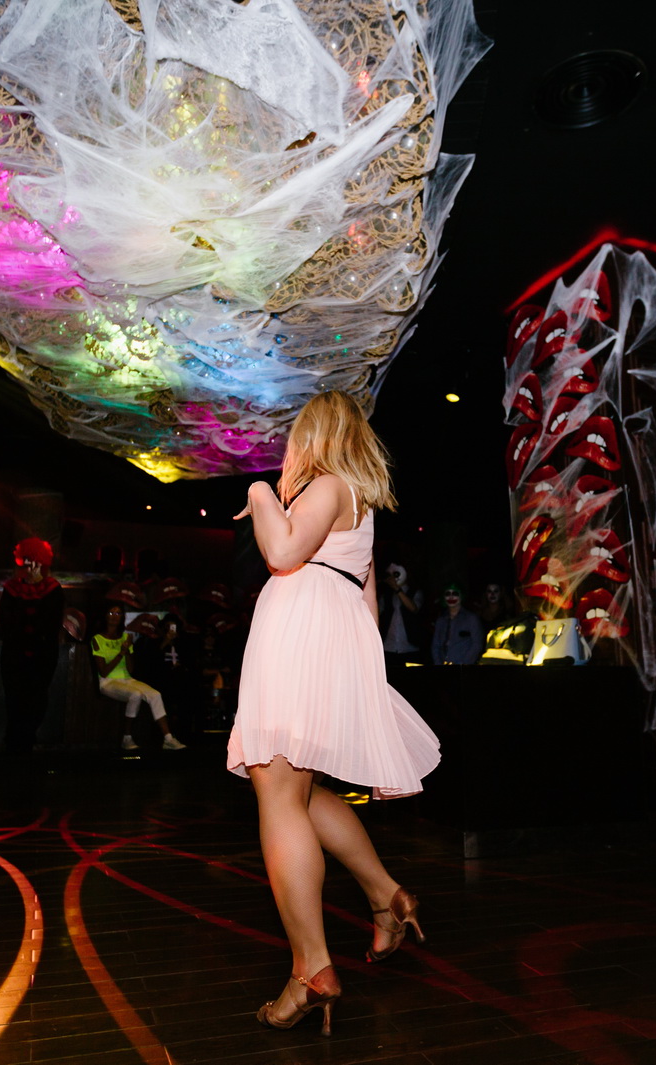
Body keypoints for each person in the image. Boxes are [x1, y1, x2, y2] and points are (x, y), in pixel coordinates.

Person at [228, 390, 440, 1036]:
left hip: (300, 639)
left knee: (277, 795)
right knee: (299, 789)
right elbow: (367, 601)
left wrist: (260, 493)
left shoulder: (325, 486)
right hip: (332, 641)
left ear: (313, 437)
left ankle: (310, 967)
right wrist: (359, 678)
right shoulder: (360, 502)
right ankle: (384, 893)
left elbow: (282, 554)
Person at [0, 537, 65, 754]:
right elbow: (6, 621)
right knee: (14, 696)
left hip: (42, 654)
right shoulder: (11, 589)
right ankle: (14, 740)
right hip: (15, 654)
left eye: (34, 562)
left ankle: (27, 737)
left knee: (36, 696)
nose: (30, 566)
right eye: (26, 561)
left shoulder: (53, 589)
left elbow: (51, 622)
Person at [93, 602, 185, 751]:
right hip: (107, 681)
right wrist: (121, 653)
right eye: (111, 613)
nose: (114, 616)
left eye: (118, 613)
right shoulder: (98, 639)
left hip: (126, 679)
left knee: (155, 694)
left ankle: (168, 738)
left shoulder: (125, 637)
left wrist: (128, 650)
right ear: (105, 616)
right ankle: (127, 738)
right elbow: (104, 672)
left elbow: (130, 669)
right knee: (135, 694)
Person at [376, 562, 423, 671]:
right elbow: (376, 613)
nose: (392, 578)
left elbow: (414, 608)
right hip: (388, 648)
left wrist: (397, 589)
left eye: (396, 574)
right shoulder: (386, 595)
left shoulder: (415, 592)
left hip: (410, 649)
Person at [430, 582, 484, 665]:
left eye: (455, 594)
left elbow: (477, 644)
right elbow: (435, 645)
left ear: (461, 596)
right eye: (448, 594)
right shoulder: (441, 621)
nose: (451, 597)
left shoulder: (471, 618)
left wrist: (464, 663)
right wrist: (438, 663)